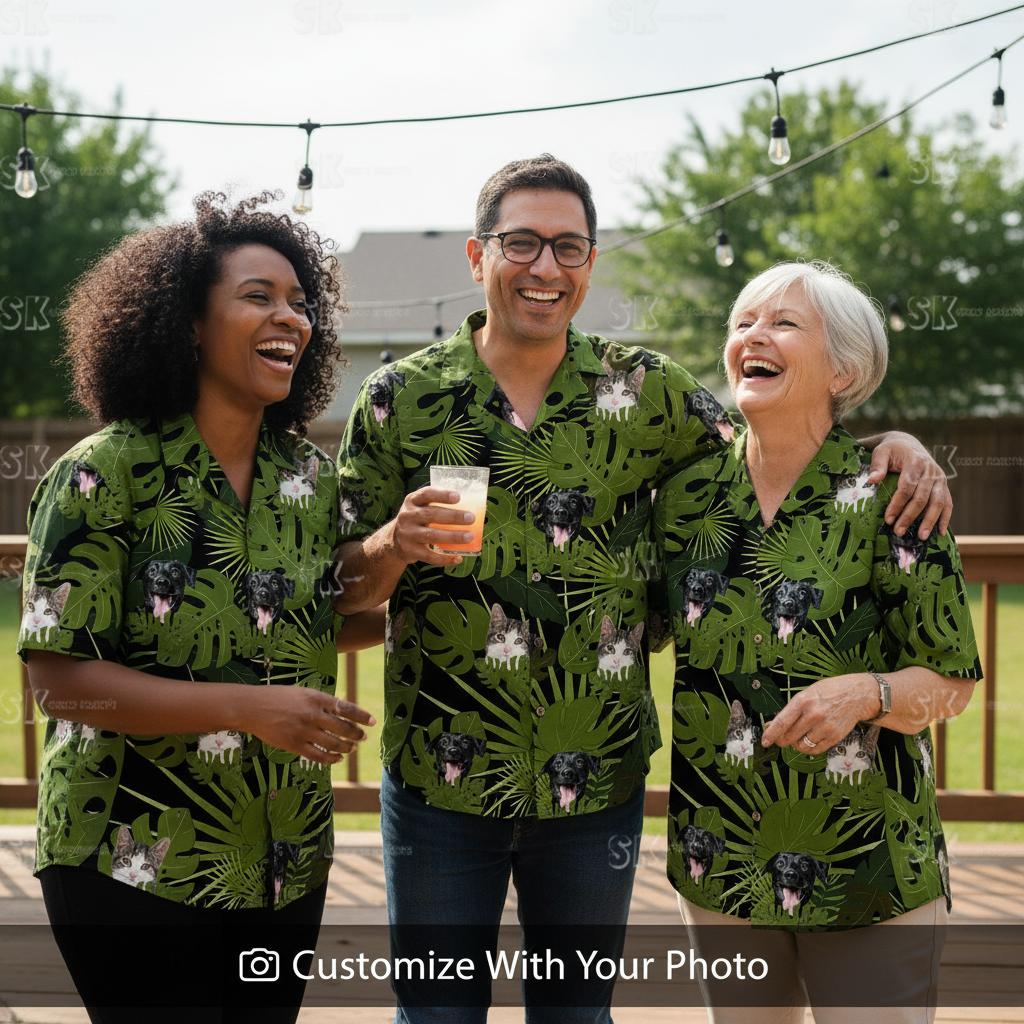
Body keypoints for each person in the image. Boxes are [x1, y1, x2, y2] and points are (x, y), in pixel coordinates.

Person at [332, 155, 952, 1023]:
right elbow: (338, 594)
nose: (545, 267)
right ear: (478, 257)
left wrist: (896, 442)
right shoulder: (400, 399)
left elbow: (776, 439)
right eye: (521, 243)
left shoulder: (652, 392)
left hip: (598, 783)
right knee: (433, 1014)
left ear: (589, 265)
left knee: (579, 1014)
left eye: (569, 247)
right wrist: (392, 544)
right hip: (443, 776)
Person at [17, 191, 378, 1023]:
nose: (290, 316)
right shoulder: (102, 472)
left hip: (285, 855)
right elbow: (66, 685)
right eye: (258, 296)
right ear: (185, 324)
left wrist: (401, 572)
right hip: (132, 859)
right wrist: (252, 710)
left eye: (299, 301)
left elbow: (324, 620)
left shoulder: (309, 479)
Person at [653, 261, 981, 1024]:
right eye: (742, 324)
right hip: (719, 854)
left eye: (782, 323)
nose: (753, 337)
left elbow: (954, 684)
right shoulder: (685, 498)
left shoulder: (894, 496)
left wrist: (867, 692)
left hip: (866, 864)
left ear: (844, 368)